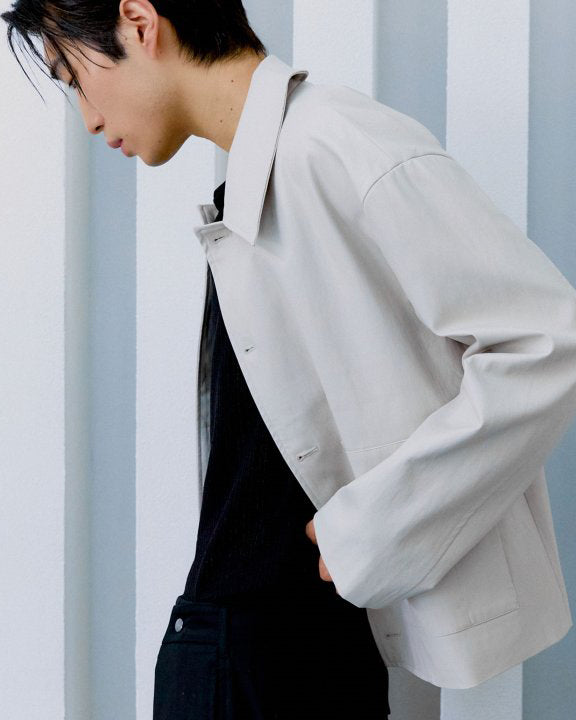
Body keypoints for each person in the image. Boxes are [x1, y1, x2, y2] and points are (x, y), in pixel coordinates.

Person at [4, 0, 576, 715]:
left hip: (272, 658)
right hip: (259, 648)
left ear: (140, 23)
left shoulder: (332, 143)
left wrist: (375, 528)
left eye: (72, 77)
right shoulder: (266, 171)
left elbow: (544, 341)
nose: (87, 119)